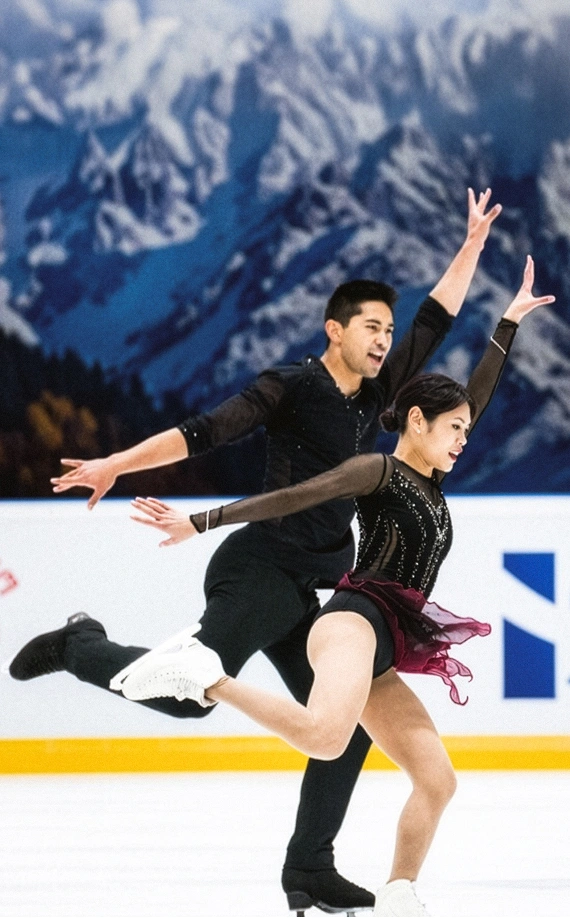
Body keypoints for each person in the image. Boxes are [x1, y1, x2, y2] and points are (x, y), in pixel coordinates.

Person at [11, 191, 502, 915]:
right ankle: (82, 643)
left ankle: (308, 870)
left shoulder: (374, 398)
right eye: (371, 327)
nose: (383, 340)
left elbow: (435, 321)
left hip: (321, 590)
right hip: (262, 568)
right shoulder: (292, 385)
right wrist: (118, 463)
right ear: (333, 330)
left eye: (386, 330)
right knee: (188, 701)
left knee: (349, 727)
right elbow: (206, 431)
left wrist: (471, 245)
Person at [107, 256, 555, 917]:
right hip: (352, 620)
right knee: (326, 737)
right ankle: (202, 676)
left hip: (387, 640)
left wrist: (509, 322)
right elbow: (295, 493)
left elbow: (477, 394)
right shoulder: (376, 471)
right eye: (453, 428)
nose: (464, 437)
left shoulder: (432, 479)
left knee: (436, 780)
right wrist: (200, 520)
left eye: (465, 428)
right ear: (416, 424)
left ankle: (400, 891)